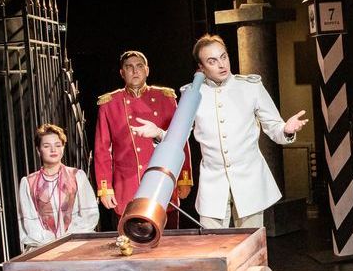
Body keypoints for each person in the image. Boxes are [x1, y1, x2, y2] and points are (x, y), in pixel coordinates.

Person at [188, 34, 308, 228]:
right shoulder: (193, 94)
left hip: (249, 181)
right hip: (213, 185)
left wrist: (286, 129)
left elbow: (275, 127)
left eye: (223, 57)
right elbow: (178, 135)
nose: (221, 64)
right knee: (211, 243)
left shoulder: (250, 87)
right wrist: (159, 134)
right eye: (212, 61)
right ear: (201, 67)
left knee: (250, 243)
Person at [94, 50, 192, 229]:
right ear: (122, 73)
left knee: (169, 239)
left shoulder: (165, 98)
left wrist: (184, 178)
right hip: (127, 185)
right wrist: (105, 187)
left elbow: (180, 141)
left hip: (161, 181)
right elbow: (102, 149)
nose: (135, 71)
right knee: (128, 240)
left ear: (147, 70)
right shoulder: (110, 103)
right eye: (129, 67)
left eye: (139, 66)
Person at [18, 124, 99, 250]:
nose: (53, 150)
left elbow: (89, 215)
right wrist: (51, 243)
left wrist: (68, 239)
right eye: (46, 146)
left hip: (76, 244)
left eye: (57, 145)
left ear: (63, 148)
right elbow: (29, 223)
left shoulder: (77, 176)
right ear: (38, 150)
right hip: (43, 248)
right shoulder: (28, 183)